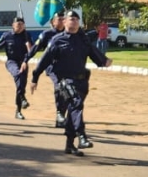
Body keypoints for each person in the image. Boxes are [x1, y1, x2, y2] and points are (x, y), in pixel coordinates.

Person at [29, 10, 112, 155]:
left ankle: (69, 144)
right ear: (65, 22)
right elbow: (44, 61)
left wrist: (105, 61)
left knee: (74, 110)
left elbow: (95, 55)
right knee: (76, 104)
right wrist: (34, 78)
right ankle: (82, 137)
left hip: (82, 80)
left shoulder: (83, 39)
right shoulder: (57, 40)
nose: (73, 22)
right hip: (65, 81)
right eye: (71, 19)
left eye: (76, 20)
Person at [26, 11, 68, 128]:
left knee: (68, 90)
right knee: (60, 86)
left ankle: (61, 117)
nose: (62, 21)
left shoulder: (68, 33)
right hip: (52, 67)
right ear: (53, 22)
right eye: (59, 19)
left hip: (66, 67)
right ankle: (60, 114)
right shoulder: (47, 34)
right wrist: (26, 60)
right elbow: (35, 48)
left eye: (63, 19)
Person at [0, 16, 32, 120]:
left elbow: (31, 52)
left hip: (24, 62)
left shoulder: (27, 35)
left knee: (21, 84)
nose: (19, 26)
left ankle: (18, 110)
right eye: (17, 25)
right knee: (18, 74)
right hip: (11, 62)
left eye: (21, 25)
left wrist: (28, 43)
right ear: (13, 25)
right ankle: (22, 97)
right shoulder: (7, 35)